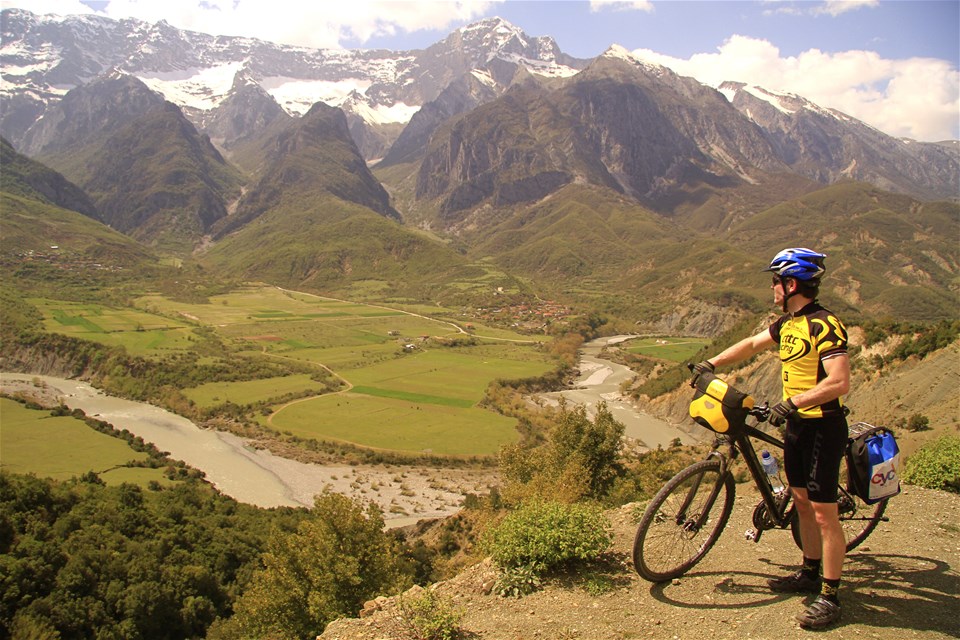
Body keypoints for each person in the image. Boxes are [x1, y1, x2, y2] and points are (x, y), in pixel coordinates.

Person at [694, 247, 850, 630]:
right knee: (799, 500)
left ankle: (830, 596)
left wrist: (794, 402)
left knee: (823, 513)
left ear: (792, 283)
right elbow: (750, 345)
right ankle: (809, 572)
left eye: (776, 281)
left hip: (822, 428)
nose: (772, 287)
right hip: (796, 426)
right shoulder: (787, 324)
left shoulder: (825, 324)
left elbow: (839, 381)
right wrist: (713, 363)